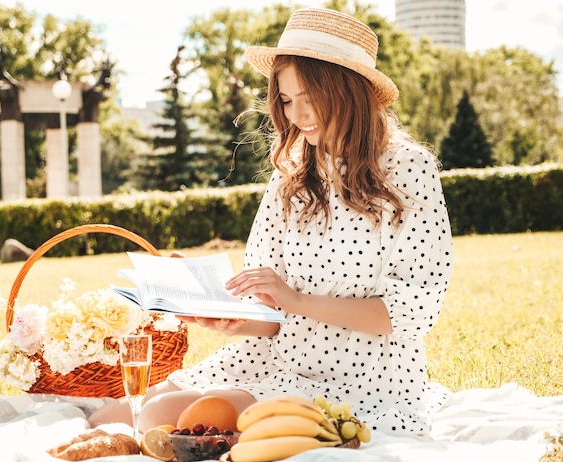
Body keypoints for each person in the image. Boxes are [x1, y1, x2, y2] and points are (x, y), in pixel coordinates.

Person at [89, 7, 453, 436]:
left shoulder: (409, 168)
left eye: (310, 97)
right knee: (111, 417)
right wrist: (226, 318)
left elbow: (413, 314)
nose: (298, 115)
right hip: (273, 356)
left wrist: (293, 301)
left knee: (154, 418)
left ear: (348, 91)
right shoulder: (292, 175)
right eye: (286, 99)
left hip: (363, 378)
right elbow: (270, 310)